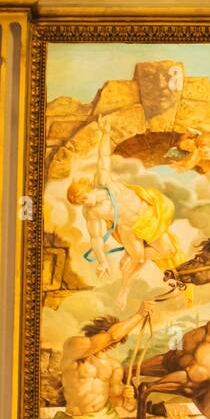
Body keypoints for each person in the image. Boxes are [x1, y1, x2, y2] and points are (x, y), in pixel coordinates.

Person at [68, 116, 180, 306]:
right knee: (139, 258)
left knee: (168, 251)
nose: (86, 204)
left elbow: (103, 158)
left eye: (84, 199)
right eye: (81, 204)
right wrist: (102, 261)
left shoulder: (103, 182)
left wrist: (106, 133)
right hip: (128, 228)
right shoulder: (91, 213)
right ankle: (124, 291)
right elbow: (96, 238)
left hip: (148, 218)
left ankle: (132, 253)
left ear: (88, 189)